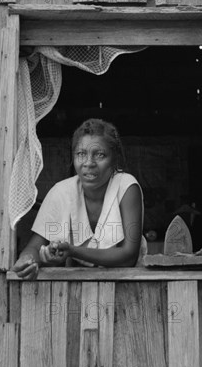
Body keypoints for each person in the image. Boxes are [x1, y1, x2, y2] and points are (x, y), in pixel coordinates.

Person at [12, 118, 147, 280]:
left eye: (100, 155)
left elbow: (128, 256)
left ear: (114, 159)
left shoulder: (126, 187)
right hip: (77, 291)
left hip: (130, 286)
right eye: (81, 154)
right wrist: (29, 260)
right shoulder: (61, 192)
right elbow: (34, 247)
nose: (89, 163)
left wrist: (72, 251)